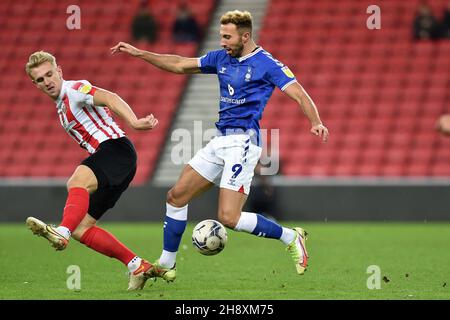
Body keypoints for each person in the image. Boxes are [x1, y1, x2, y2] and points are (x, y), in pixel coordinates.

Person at [111, 10, 329, 281]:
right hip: (220, 139)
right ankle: (167, 263)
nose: (222, 42)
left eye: (227, 37)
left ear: (245, 36)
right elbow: (179, 64)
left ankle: (290, 236)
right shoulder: (220, 58)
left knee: (229, 217)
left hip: (244, 142)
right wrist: (141, 53)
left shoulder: (267, 64)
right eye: (221, 36)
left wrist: (315, 121)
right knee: (176, 196)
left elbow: (299, 93)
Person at [24, 51, 166, 290]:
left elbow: (110, 97)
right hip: (116, 161)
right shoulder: (61, 107)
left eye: (50, 74)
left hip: (116, 151)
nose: (47, 81)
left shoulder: (75, 89)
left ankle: (62, 231)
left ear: (60, 72)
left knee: (76, 181)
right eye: (40, 79)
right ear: (34, 84)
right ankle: (136, 265)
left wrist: (133, 121)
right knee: (83, 229)